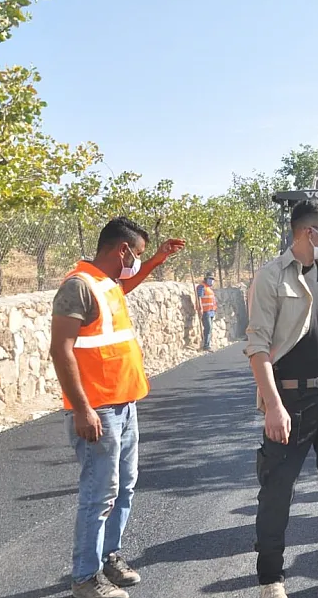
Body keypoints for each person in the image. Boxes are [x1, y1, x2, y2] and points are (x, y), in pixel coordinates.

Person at [50, 217, 185, 598]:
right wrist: (82, 409)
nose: (137, 261)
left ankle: (109, 557)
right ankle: (85, 578)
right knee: (100, 493)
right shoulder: (78, 286)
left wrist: (157, 259)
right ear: (121, 249)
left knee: (123, 488)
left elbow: (125, 285)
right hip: (99, 410)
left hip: (125, 405)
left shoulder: (106, 283)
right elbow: (61, 350)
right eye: (137, 254)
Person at [245, 200, 318, 598]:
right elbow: (257, 347)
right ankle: (271, 579)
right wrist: (273, 404)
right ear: (304, 232)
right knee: (277, 492)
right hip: (291, 402)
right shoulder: (271, 277)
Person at [196, 271, 218, 351]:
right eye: (210, 279)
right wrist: (200, 308)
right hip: (205, 311)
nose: (211, 280)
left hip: (211, 311)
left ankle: (208, 344)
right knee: (208, 328)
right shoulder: (201, 287)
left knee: (210, 328)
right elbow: (199, 297)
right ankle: (206, 345)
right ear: (206, 279)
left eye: (212, 279)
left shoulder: (209, 288)